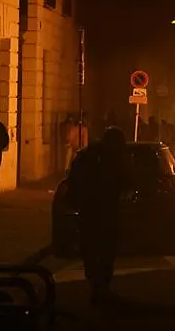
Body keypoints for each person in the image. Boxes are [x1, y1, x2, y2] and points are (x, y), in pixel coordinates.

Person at [67, 127, 128, 306]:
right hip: (105, 211)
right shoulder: (113, 158)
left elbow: (74, 181)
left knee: (93, 251)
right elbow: (125, 179)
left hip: (90, 212)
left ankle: (97, 287)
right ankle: (101, 288)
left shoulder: (87, 156)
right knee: (105, 250)